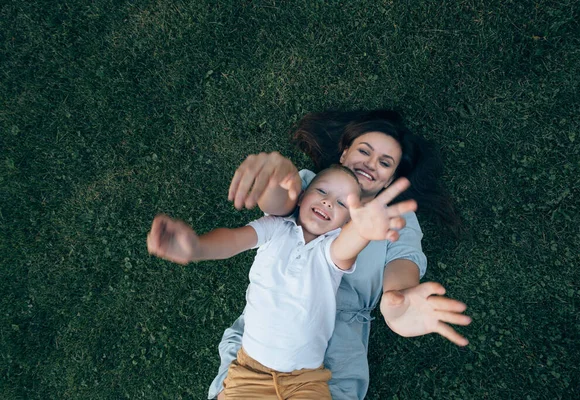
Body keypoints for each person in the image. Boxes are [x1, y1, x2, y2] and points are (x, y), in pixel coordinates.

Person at [209, 109, 472, 400]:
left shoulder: (398, 219)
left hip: (337, 349)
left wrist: (399, 303)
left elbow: (402, 266)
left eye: (385, 163)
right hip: (267, 332)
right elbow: (280, 202)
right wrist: (277, 171)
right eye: (364, 151)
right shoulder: (311, 185)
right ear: (344, 154)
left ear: (389, 181)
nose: (371, 165)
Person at [147, 165, 417, 399]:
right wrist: (197, 247)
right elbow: (233, 240)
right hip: (250, 373)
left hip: (306, 381)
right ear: (301, 197)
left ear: (344, 223)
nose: (328, 203)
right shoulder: (275, 228)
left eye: (342, 203)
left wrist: (363, 231)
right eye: (322, 191)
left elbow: (349, 245)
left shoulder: (331, 252)